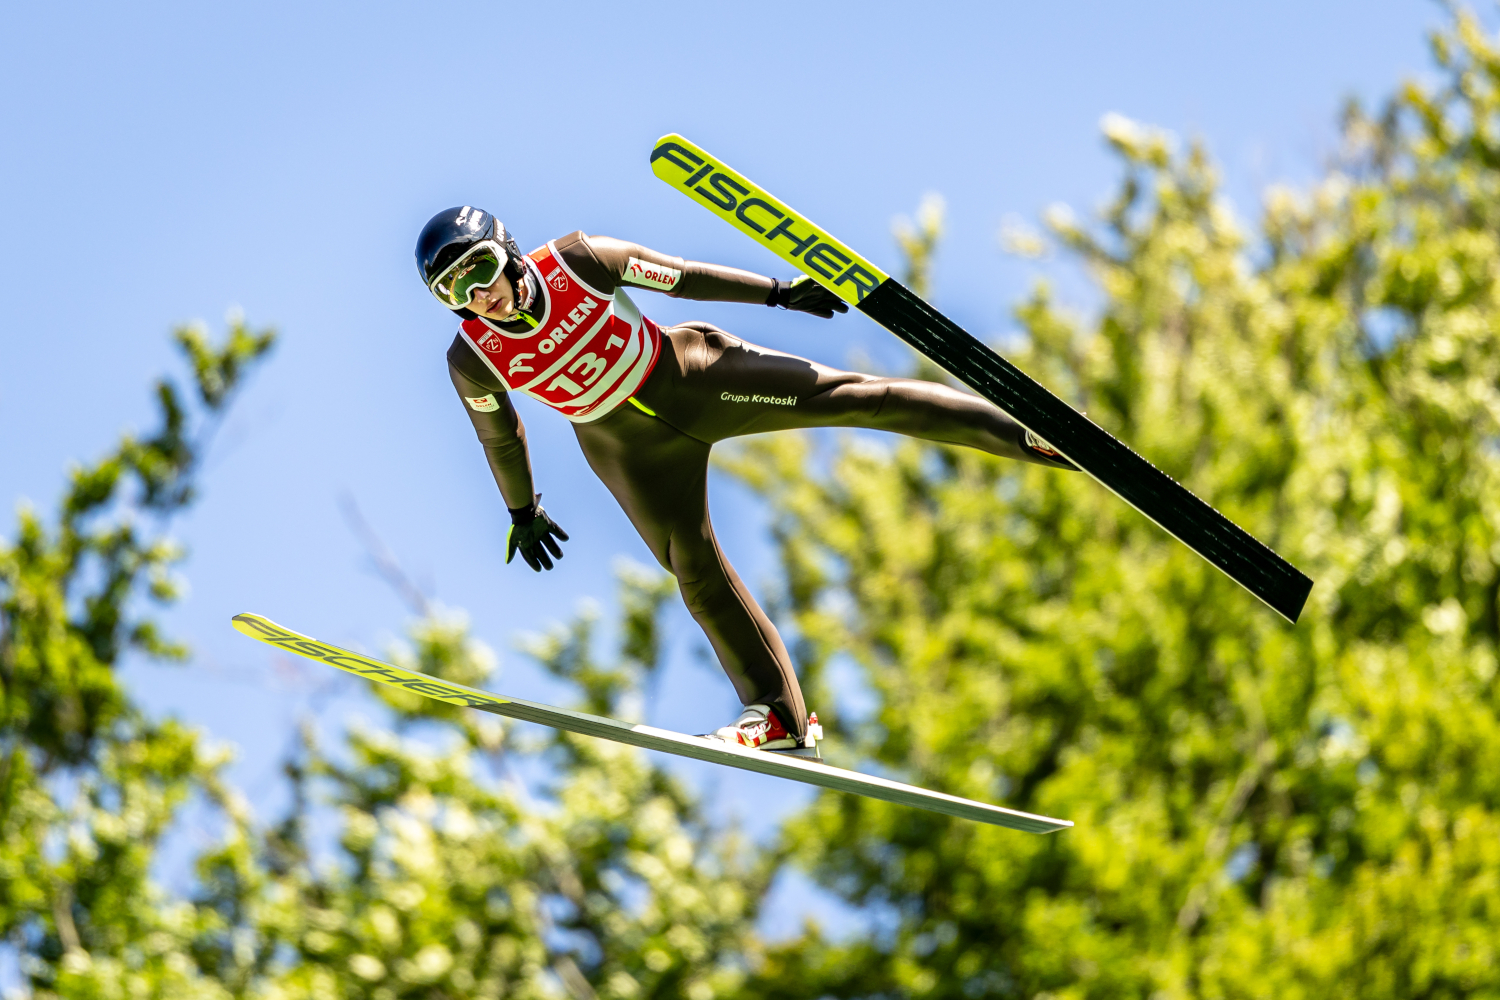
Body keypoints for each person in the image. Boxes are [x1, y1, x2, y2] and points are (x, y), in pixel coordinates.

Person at [416, 206, 1075, 754]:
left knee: (857, 397)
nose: (478, 295)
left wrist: (778, 293)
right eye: (453, 290)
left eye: (477, 270)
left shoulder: (579, 260)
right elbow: (499, 434)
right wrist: (522, 510)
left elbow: (678, 278)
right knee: (694, 571)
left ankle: (1027, 434)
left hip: (696, 378)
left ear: (504, 248)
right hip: (630, 449)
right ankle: (781, 720)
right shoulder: (472, 357)